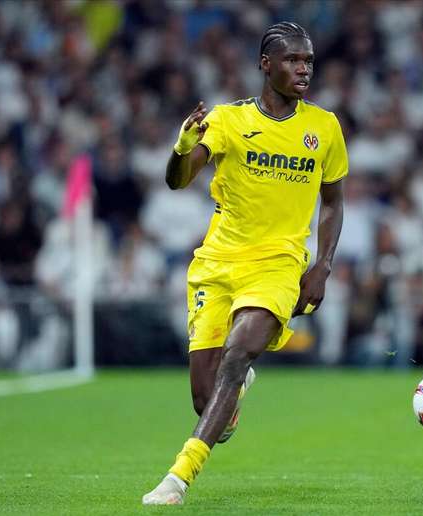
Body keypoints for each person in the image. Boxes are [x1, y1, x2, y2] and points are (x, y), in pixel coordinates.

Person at [142, 22, 347, 505]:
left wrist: (323, 265)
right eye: (294, 60)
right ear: (265, 64)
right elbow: (177, 180)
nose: (303, 68)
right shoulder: (227, 121)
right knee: (204, 395)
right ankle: (226, 405)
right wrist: (180, 148)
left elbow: (334, 202)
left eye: (309, 61)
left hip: (277, 264)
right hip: (217, 263)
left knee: (238, 355)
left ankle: (178, 477)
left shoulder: (324, 127)